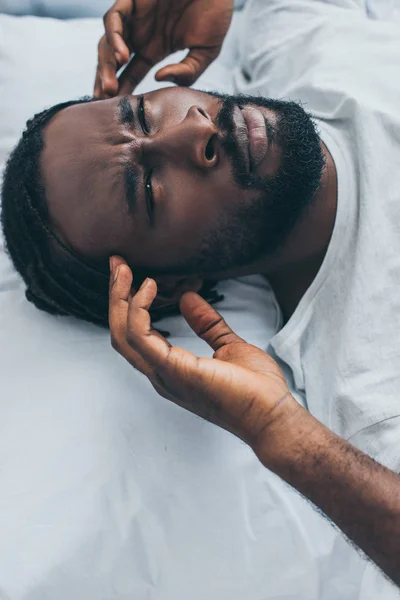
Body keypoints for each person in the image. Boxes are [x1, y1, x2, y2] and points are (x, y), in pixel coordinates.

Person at [1, 0, 400, 591]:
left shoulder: (293, 43)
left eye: (140, 116)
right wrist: (280, 432)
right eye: (149, 188)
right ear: (174, 285)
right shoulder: (367, 381)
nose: (193, 127)